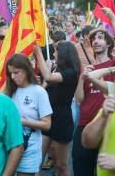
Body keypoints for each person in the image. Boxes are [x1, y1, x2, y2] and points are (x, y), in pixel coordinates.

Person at [73, 8, 115, 176]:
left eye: (100, 38)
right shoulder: (87, 68)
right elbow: (79, 100)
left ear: (109, 43)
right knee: (82, 170)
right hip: (85, 124)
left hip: (109, 125)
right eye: (93, 39)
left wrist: (113, 20)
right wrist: (82, 77)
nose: (96, 41)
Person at [34, 42, 81, 176]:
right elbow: (45, 84)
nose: (54, 54)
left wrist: (38, 53)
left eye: (56, 51)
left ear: (63, 54)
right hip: (47, 117)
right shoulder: (55, 69)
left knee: (61, 165)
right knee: (37, 160)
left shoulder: (71, 73)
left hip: (62, 120)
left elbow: (48, 77)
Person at [5, 54, 53, 176]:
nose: (13, 76)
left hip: (29, 147)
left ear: (26, 70)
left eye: (16, 72)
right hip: (9, 145)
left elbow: (47, 125)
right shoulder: (9, 91)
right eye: (10, 73)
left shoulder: (39, 92)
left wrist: (22, 121)